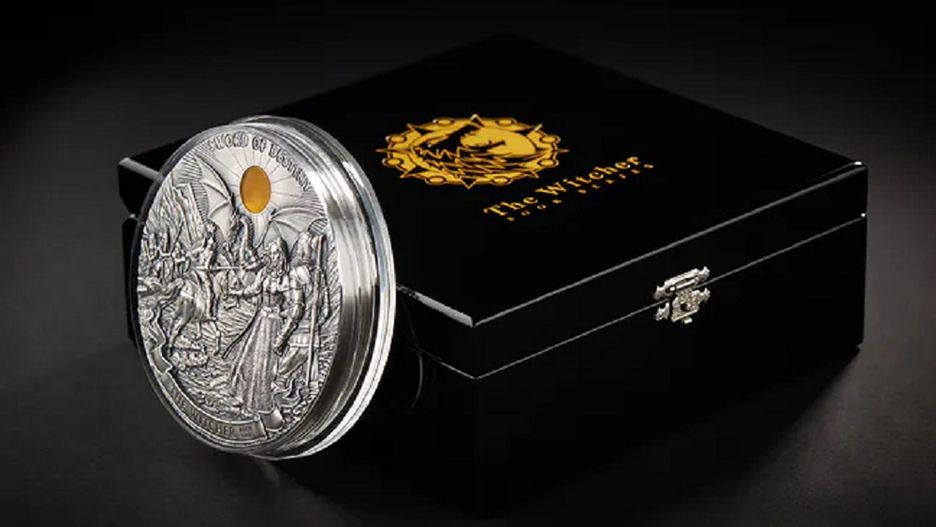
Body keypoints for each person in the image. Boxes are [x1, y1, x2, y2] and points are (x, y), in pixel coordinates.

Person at [226, 238, 301, 429]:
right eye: (270, 253)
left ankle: (260, 405)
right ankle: (242, 397)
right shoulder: (264, 273)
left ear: (282, 256)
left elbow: (296, 309)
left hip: (274, 324)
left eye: (275, 253)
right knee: (248, 358)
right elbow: (254, 290)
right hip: (261, 320)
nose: (271, 257)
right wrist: (236, 293)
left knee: (264, 365)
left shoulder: (289, 279)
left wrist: (282, 336)